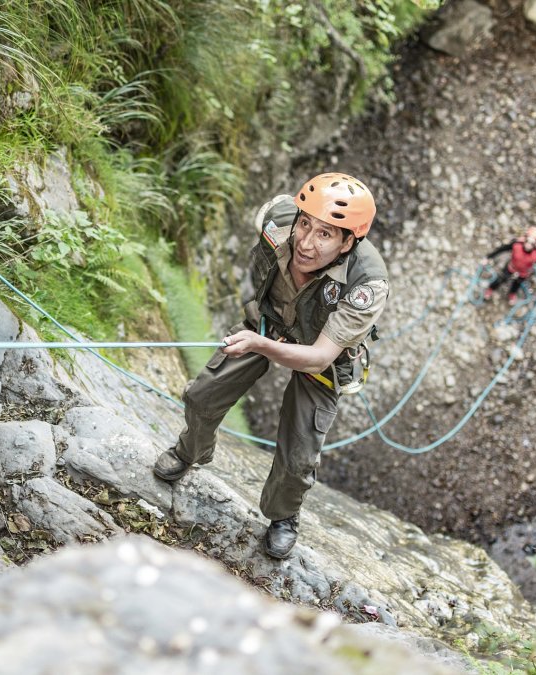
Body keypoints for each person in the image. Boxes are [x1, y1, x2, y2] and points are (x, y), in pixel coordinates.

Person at [153, 173, 389, 559]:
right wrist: (263, 337)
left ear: (349, 242)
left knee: (299, 455)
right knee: (202, 395)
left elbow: (319, 357)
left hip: (322, 354)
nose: (306, 243)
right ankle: (190, 452)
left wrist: (261, 345)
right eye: (305, 224)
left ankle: (283, 515)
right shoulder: (278, 219)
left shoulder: (366, 285)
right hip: (269, 322)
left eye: (326, 235)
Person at [482, 227, 536, 305]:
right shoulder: (516, 244)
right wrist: (488, 257)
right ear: (525, 238)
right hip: (511, 267)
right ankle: (491, 289)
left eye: (532, 243)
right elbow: (502, 249)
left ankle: (512, 294)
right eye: (527, 241)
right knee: (501, 279)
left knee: (517, 284)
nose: (528, 245)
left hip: (523, 273)